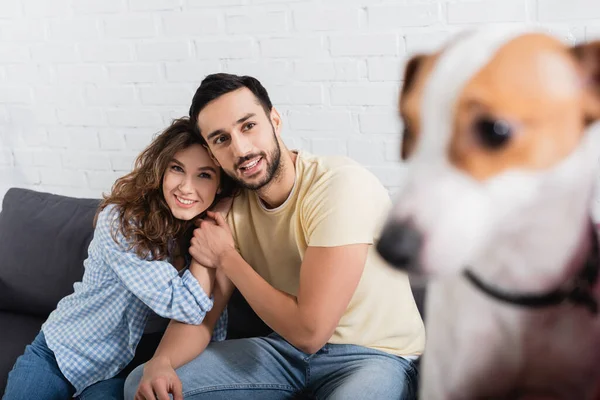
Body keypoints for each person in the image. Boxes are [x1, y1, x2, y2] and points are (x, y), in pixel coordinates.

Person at [125, 73, 426, 400]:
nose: (240, 148)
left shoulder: (339, 187)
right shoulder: (230, 209)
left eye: (248, 126)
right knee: (144, 385)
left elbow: (310, 333)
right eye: (221, 139)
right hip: (284, 354)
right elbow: (203, 315)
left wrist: (227, 256)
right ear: (213, 153)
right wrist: (161, 361)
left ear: (275, 120)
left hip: (375, 355)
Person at [2, 117, 236, 400]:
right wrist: (208, 242)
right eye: (177, 169)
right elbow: (186, 307)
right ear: (161, 170)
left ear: (220, 184)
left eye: (204, 175)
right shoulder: (123, 222)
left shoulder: (213, 233)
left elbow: (210, 326)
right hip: (60, 354)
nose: (186, 188)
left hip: (123, 373)